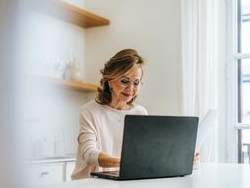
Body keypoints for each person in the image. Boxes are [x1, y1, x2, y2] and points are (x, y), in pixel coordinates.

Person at [71, 49, 200, 180]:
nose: (131, 88)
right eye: (125, 81)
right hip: (89, 183)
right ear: (109, 80)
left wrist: (182, 159)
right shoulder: (90, 111)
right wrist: (128, 162)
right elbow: (89, 154)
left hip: (122, 182)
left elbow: (148, 155)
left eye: (136, 82)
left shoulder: (140, 113)